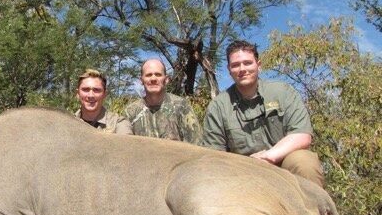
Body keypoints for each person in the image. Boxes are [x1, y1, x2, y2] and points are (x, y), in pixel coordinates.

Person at [202, 40, 324, 187]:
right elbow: (215, 157)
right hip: (242, 175)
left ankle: (311, 209)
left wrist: (268, 157)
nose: (242, 69)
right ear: (229, 69)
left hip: (283, 164)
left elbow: (302, 136)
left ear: (258, 65)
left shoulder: (283, 92)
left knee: (304, 161)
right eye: (235, 65)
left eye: (247, 63)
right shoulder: (218, 106)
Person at [123, 59, 202, 143]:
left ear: (166, 79)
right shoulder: (130, 112)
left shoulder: (181, 107)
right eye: (148, 75)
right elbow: (126, 147)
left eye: (158, 74)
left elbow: (196, 144)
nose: (153, 78)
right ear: (141, 80)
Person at [75, 69, 133, 134]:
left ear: (105, 94)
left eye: (96, 90)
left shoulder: (118, 123)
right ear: (78, 93)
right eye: (85, 89)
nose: (90, 95)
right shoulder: (68, 122)